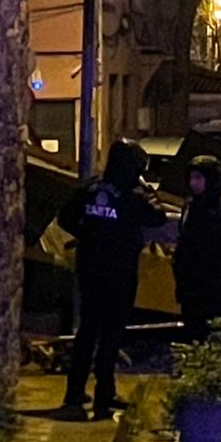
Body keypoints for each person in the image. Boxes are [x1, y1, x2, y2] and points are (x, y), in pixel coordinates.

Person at [57, 139, 166, 419]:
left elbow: (65, 218)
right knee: (111, 332)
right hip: (119, 269)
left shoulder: (88, 188)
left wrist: (87, 235)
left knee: (88, 329)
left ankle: (74, 391)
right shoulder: (135, 194)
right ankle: (104, 395)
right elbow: (158, 217)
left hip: (90, 267)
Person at [173, 154, 221, 342]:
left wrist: (216, 262)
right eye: (192, 178)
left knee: (211, 330)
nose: (194, 183)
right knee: (191, 330)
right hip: (189, 283)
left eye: (198, 178)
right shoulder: (190, 205)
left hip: (213, 284)